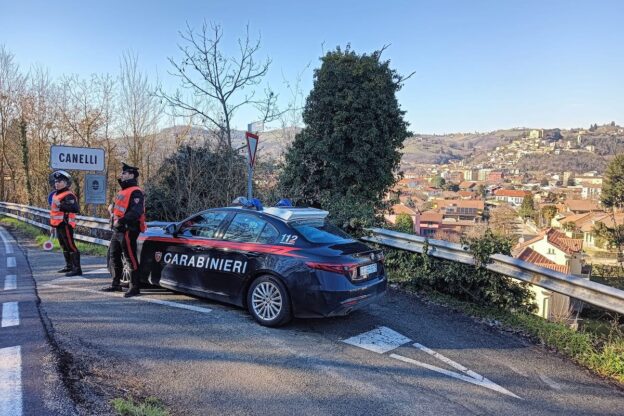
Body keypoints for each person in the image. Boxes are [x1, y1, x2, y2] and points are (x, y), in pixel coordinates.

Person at [101, 163, 147, 298]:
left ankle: (134, 287)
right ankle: (116, 283)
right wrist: (112, 209)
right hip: (118, 229)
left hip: (128, 229)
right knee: (114, 255)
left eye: (125, 173)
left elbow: (136, 212)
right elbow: (119, 208)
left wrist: (121, 221)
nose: (122, 175)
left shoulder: (136, 191)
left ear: (132, 175)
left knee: (130, 257)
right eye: (122, 173)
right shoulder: (122, 191)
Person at [49, 170, 82, 276]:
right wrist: (52, 225)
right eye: (56, 182)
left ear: (65, 183)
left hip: (66, 224)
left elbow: (75, 208)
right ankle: (69, 266)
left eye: (59, 182)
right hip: (58, 225)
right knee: (64, 246)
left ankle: (77, 269)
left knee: (71, 246)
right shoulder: (56, 195)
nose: (57, 183)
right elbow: (54, 212)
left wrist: (61, 205)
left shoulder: (68, 195)